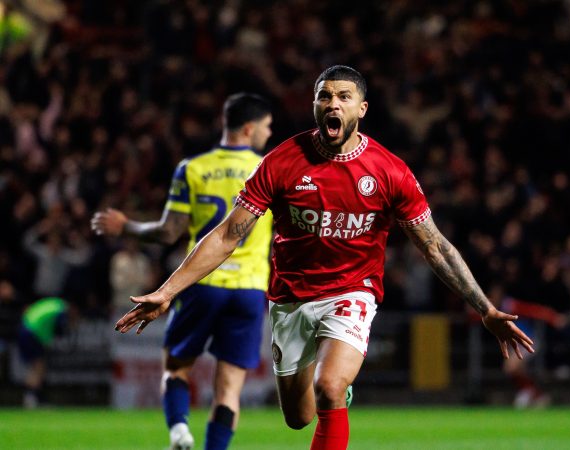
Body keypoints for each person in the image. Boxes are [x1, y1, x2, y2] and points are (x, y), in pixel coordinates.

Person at [115, 65, 534, 450]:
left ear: (362, 108)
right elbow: (228, 234)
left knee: (329, 387)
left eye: (344, 96)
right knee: (299, 418)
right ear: (315, 104)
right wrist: (167, 291)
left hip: (353, 292)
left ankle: (337, 388)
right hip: (290, 299)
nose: (333, 103)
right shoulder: (281, 162)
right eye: (324, 96)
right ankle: (332, 394)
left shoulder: (389, 171)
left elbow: (435, 245)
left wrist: (485, 308)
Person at [92, 92, 274, 450]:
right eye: (267, 127)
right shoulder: (268, 168)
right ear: (250, 128)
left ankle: (178, 432)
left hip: (200, 283)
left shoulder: (193, 168)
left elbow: (168, 232)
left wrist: (127, 226)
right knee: (229, 392)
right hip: (250, 289)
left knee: (176, 369)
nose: (269, 134)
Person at [16, 296, 72, 408]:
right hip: (31, 333)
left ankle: (31, 397)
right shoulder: (61, 308)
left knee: (36, 367)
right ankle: (32, 398)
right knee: (38, 367)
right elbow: (60, 329)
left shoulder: (52, 303)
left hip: (26, 330)